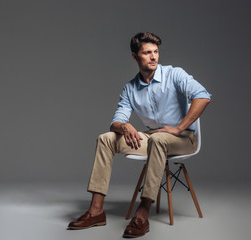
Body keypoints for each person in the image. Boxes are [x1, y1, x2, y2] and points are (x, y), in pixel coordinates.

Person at [68, 32, 212, 238]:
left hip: (183, 138)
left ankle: (143, 213)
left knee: (158, 139)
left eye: (156, 52)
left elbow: (203, 96)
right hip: (153, 137)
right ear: (135, 57)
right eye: (147, 53)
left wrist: (179, 128)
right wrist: (124, 127)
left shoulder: (174, 74)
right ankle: (96, 211)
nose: (153, 57)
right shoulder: (130, 88)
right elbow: (116, 121)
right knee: (106, 139)